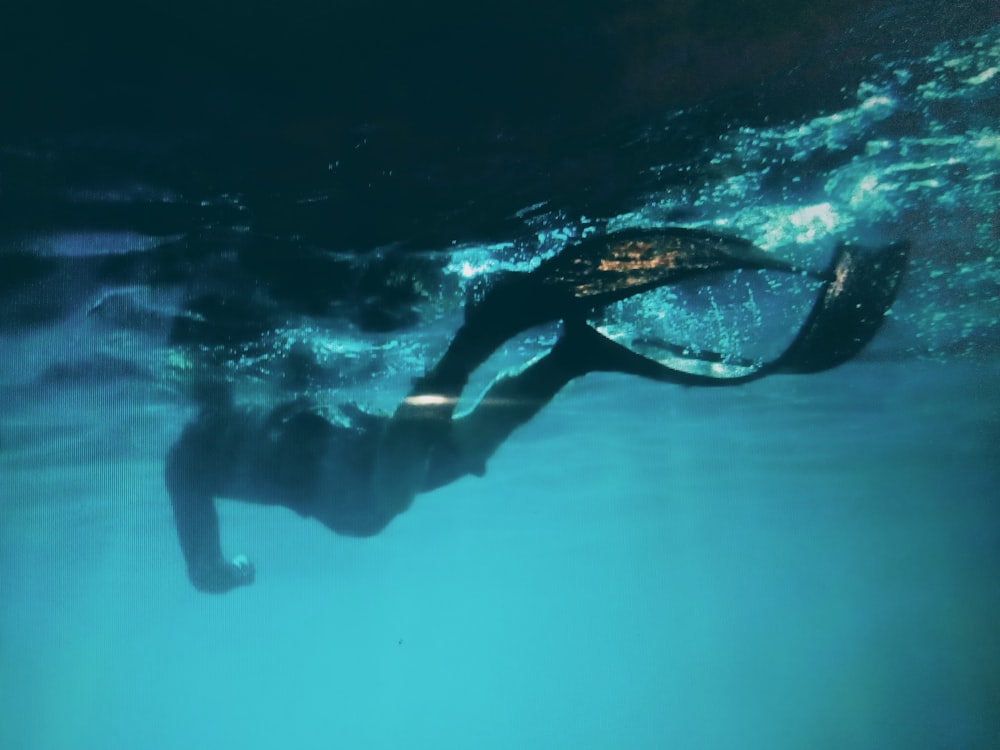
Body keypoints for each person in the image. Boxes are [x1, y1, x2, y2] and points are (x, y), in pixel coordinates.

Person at [165, 228, 908, 593]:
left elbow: (204, 566)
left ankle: (558, 352)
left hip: (380, 457)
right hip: (363, 488)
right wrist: (238, 570)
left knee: (451, 442)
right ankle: (547, 351)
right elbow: (204, 568)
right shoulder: (192, 456)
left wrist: (233, 568)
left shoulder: (201, 444)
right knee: (423, 458)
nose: (206, 386)